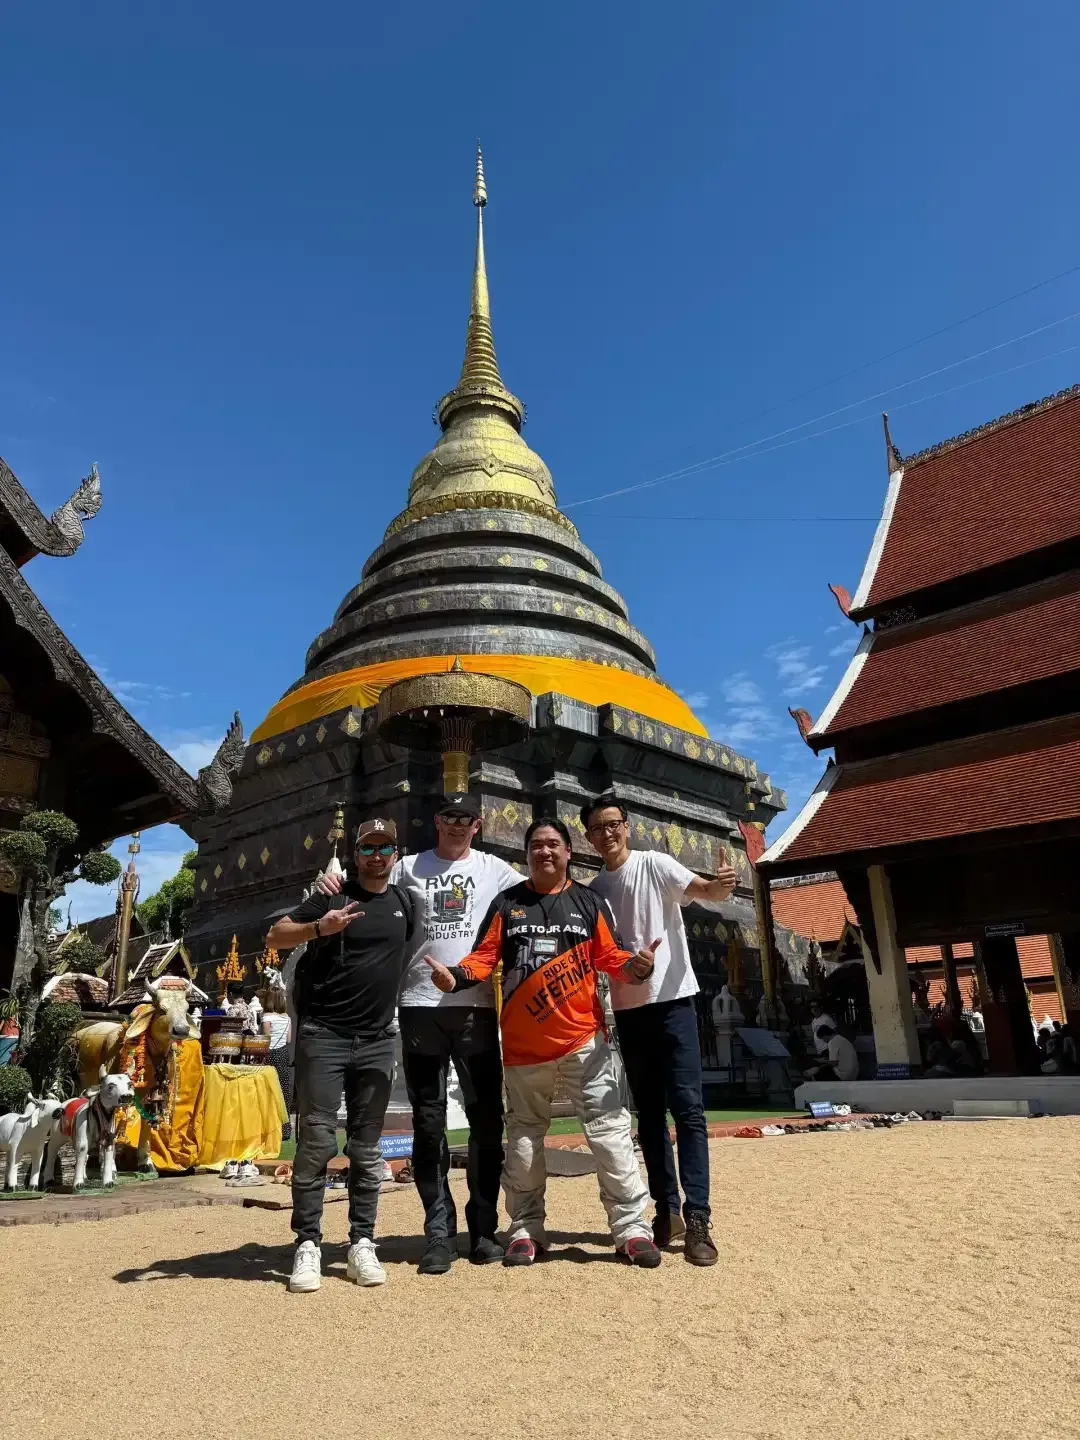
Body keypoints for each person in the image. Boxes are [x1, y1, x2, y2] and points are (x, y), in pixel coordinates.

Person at [424, 816, 663, 1269]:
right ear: (528, 855)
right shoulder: (507, 904)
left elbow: (610, 957)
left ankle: (632, 1229)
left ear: (569, 852)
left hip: (584, 1042)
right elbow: (482, 958)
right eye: (536, 845)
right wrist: (453, 976)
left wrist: (638, 966)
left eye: (553, 844)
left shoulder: (588, 902)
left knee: (611, 1135)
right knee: (525, 1143)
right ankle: (526, 1229)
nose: (545, 852)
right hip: (523, 1050)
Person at [318, 792, 519, 1274]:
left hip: (474, 1007)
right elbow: (368, 883)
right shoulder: (408, 866)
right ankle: (438, 1232)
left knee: (486, 1120)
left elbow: (537, 890)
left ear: (478, 824)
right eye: (448, 817)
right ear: (436, 821)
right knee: (429, 1122)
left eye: (464, 818)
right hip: (419, 1006)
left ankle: (484, 1226)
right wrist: (332, 881)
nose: (455, 824)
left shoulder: (495, 870)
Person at [580, 793, 736, 1267]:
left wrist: (723, 884)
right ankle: (665, 1210)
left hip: (673, 1005)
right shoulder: (591, 892)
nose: (607, 834)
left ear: (626, 827)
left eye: (614, 825)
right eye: (597, 829)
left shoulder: (655, 864)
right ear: (587, 838)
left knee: (688, 1110)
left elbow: (706, 891)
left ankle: (700, 1217)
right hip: (628, 1010)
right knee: (647, 1116)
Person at [266, 817, 415, 1294]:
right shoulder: (330, 895)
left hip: (376, 1039)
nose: (376, 855)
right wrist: (319, 927)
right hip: (324, 1036)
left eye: (384, 847)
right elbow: (275, 936)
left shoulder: (405, 903)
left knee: (367, 1149)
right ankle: (307, 1244)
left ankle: (362, 1241)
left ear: (395, 853)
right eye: (367, 847)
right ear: (355, 854)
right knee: (315, 1143)